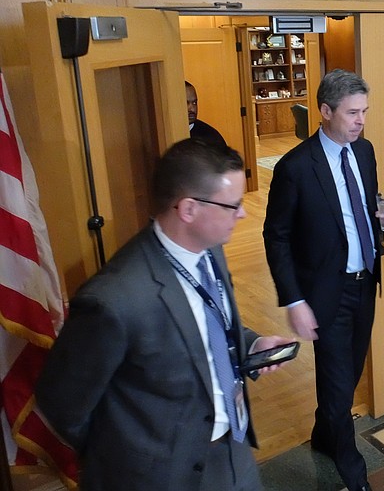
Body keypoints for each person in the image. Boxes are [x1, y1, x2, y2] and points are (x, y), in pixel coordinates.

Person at [36, 139, 292, 491]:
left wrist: (250, 342)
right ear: (188, 209)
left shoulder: (209, 249)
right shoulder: (113, 301)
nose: (243, 213)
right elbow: (62, 403)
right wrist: (130, 455)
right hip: (160, 477)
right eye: (233, 205)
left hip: (233, 450)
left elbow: (208, 321)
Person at [263, 69, 384, 491]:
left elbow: (366, 208)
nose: (361, 121)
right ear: (325, 111)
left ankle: (324, 436)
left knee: (348, 371)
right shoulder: (295, 167)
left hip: (365, 283)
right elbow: (276, 237)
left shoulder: (364, 152)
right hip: (326, 292)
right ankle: (352, 470)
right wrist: (293, 300)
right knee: (339, 383)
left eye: (365, 111)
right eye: (352, 113)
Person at [187, 80, 227, 146]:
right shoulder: (167, 134)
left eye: (194, 103)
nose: (192, 109)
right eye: (186, 103)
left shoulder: (210, 137)